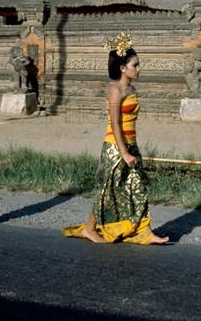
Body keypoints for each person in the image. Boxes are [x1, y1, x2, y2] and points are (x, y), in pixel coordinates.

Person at [63, 32, 169, 245]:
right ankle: (89, 229)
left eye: (138, 65)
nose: (139, 69)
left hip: (131, 144)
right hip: (115, 147)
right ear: (123, 68)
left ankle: (143, 232)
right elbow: (115, 123)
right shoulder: (115, 91)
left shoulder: (132, 89)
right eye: (135, 65)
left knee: (138, 187)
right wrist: (123, 152)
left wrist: (131, 149)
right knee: (108, 189)